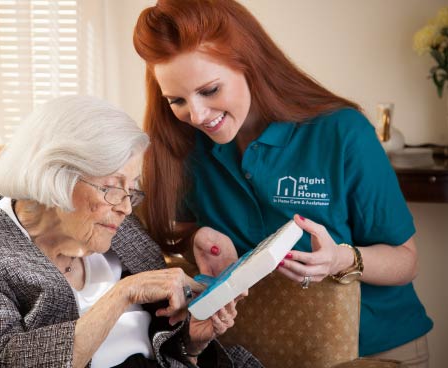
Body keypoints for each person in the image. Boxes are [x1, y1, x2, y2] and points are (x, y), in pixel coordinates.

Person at [132, 0, 433, 366]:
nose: (196, 115)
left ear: (249, 62)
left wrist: (340, 258)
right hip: (249, 352)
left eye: (210, 90)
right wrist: (199, 240)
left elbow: (406, 261)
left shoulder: (342, 132)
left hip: (373, 349)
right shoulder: (181, 145)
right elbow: (175, 234)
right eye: (177, 99)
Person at [0, 95, 263, 368]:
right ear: (57, 176)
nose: (126, 207)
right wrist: (122, 295)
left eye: (131, 189)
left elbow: (163, 335)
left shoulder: (120, 228)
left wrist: (193, 338)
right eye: (112, 187)